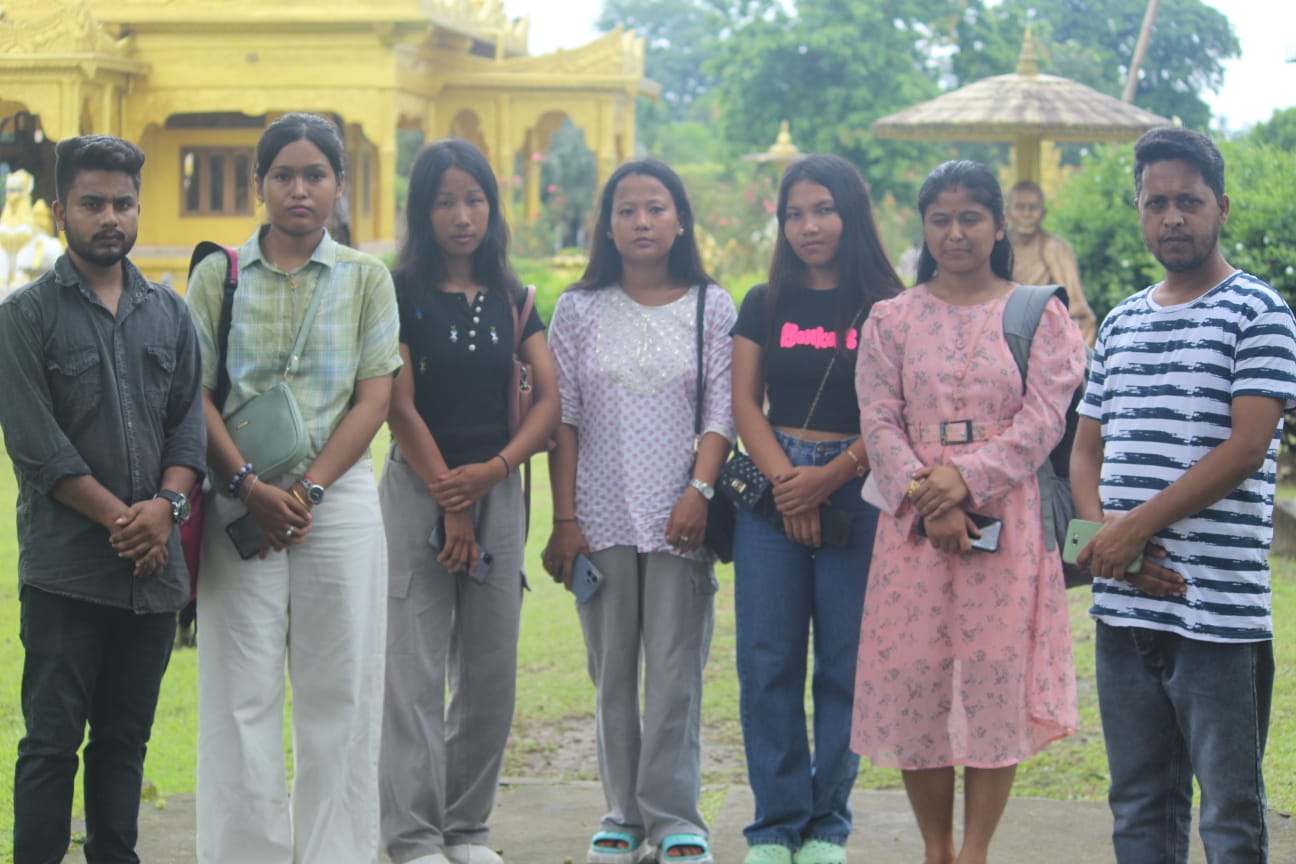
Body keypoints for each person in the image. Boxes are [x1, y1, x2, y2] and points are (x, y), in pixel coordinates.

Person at [1070, 126, 1296, 863]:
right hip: (1124, 607)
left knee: (1229, 815)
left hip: (1218, 617)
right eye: (1156, 202)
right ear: (1139, 210)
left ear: (1220, 207)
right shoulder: (1121, 321)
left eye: (1189, 202)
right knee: (1138, 804)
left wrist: (1133, 530)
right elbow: (1085, 450)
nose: (1172, 217)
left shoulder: (1258, 312)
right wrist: (1109, 547)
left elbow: (1246, 447)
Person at [852, 160, 1087, 864]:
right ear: (924, 227)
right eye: (941, 219)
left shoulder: (1038, 315)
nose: (955, 233)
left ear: (998, 225)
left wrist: (966, 481)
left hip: (1006, 524)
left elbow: (1044, 419)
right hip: (912, 528)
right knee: (918, 681)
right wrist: (929, 498)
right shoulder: (892, 319)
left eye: (970, 218)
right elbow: (878, 419)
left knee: (991, 682)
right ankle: (937, 848)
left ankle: (976, 850)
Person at [185, 112, 401, 863]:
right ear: (259, 184)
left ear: (341, 185)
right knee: (238, 692)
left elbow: (374, 398)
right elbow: (194, 394)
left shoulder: (367, 278)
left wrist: (306, 491)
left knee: (340, 691)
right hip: (237, 498)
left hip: (334, 501)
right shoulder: (218, 275)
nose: (299, 190)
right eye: (283, 175)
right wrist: (248, 485)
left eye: (315, 175)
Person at [0, 135, 205, 863]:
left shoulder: (169, 314)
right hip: (67, 574)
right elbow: (37, 448)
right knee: (51, 744)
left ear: (138, 207)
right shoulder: (24, 317)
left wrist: (166, 510)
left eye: (122, 203)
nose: (110, 217)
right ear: (61, 212)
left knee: (124, 743)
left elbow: (188, 429)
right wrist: (131, 523)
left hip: (151, 582)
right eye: (92, 204)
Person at [542, 159, 735, 864]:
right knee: (612, 673)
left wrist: (699, 491)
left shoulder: (713, 306)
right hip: (599, 519)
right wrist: (566, 520)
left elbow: (722, 411)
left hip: (682, 518)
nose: (642, 222)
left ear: (681, 220)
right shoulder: (577, 309)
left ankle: (676, 818)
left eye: (656, 208)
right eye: (626, 210)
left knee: (677, 673)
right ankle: (622, 815)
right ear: (607, 226)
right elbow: (562, 418)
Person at [378, 139, 559, 864]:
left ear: (492, 207)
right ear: (423, 212)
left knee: (490, 673)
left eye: (475, 199)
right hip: (417, 490)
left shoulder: (516, 299)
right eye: (445, 201)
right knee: (414, 672)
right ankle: (413, 837)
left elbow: (549, 402)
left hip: (498, 493)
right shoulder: (397, 292)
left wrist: (493, 472)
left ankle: (466, 830)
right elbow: (397, 403)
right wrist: (451, 498)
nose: (462, 216)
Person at [729, 154, 900, 864]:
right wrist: (787, 485)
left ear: (851, 213)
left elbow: (899, 409)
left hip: (857, 485)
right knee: (767, 660)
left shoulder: (889, 305)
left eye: (823, 209)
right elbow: (745, 403)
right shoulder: (763, 301)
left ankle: (827, 823)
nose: (809, 226)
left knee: (844, 663)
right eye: (794, 213)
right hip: (773, 490)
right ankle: (775, 826)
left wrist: (826, 479)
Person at [1006, 180, 1097, 345]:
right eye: (1020, 207)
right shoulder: (997, 249)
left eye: (1033, 207)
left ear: (1043, 212)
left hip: (1048, 339)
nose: (1027, 214)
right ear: (1008, 212)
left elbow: (1079, 311)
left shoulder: (1056, 248)